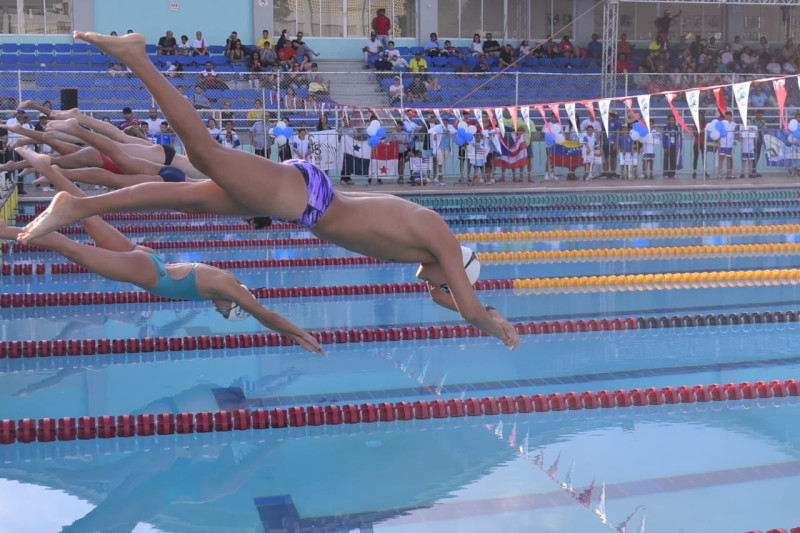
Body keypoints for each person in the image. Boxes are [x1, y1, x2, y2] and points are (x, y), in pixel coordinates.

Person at [22, 31, 522, 350]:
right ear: (456, 268)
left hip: (301, 204)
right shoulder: (439, 235)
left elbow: (447, 300)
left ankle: (79, 204)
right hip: (307, 198)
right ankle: (138, 58)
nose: (434, 286)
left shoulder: (427, 251)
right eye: (444, 282)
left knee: (182, 195)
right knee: (203, 154)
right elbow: (467, 305)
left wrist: (482, 312)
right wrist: (498, 325)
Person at [5, 148, 322, 353]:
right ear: (235, 304)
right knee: (65, 245)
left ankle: (47, 168)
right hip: (146, 271)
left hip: (149, 259)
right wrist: (297, 334)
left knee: (87, 215)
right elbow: (265, 314)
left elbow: (259, 308)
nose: (218, 311)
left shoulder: (227, 280)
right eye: (225, 312)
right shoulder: (228, 287)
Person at [692, 110, 707, 179]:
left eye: (701, 117)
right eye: (699, 117)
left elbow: (706, 133)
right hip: (696, 143)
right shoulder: (695, 125)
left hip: (703, 143)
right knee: (696, 158)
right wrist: (701, 133)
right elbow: (695, 134)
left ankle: (705, 171)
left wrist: (700, 133)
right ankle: (694, 172)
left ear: (703, 118)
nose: (700, 118)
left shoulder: (706, 125)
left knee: (704, 158)